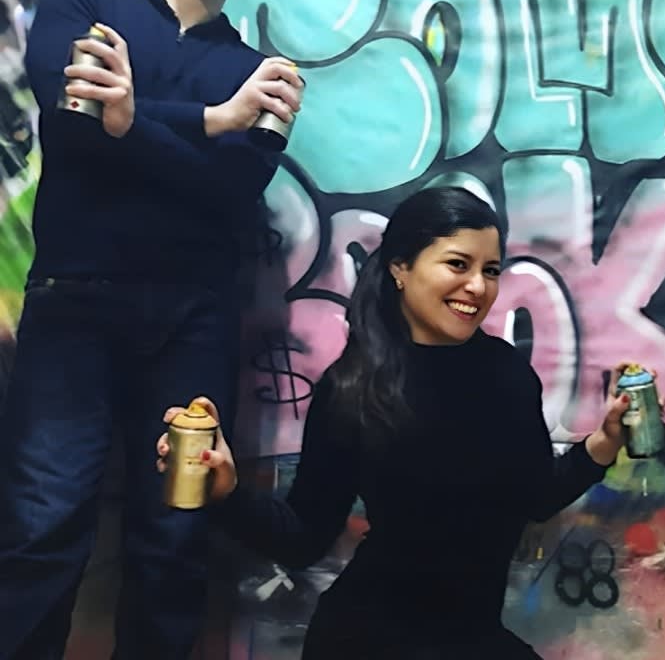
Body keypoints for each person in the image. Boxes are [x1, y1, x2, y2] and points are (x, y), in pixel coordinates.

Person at [0, 0, 304, 659]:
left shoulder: (260, 74)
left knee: (174, 536)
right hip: (73, 303)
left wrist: (128, 122)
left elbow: (231, 193)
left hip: (193, 324)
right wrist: (215, 121)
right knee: (43, 525)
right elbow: (68, 122)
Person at [157, 186, 636, 659]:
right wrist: (227, 496)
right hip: (369, 640)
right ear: (400, 267)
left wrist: (606, 439)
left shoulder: (507, 372)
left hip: (471, 638)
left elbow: (535, 496)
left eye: (490, 270)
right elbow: (303, 538)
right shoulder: (354, 388)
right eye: (458, 264)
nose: (478, 286)